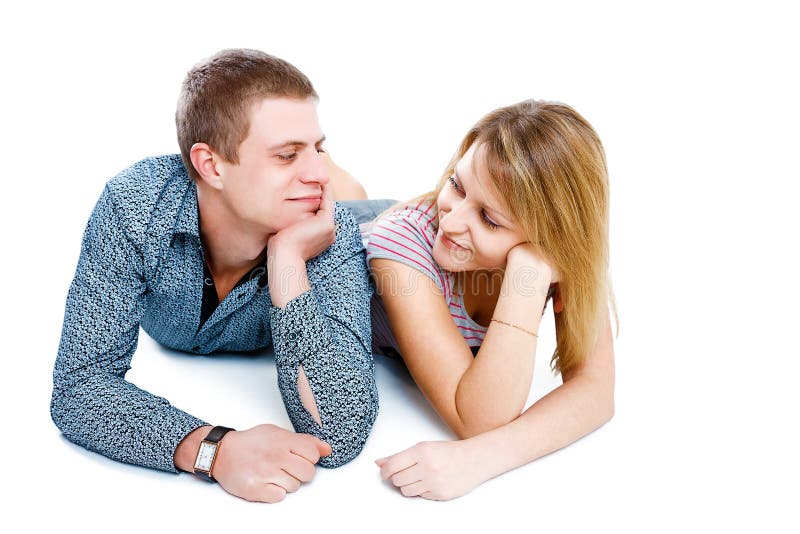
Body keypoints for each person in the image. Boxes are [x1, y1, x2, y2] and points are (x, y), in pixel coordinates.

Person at [50, 48, 379, 504]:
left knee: (370, 215)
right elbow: (78, 388)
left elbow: (339, 430)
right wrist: (212, 448)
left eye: (319, 149)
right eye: (287, 155)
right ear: (211, 165)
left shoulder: (327, 227)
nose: (319, 175)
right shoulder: (136, 206)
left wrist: (287, 261)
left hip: (382, 232)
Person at [357, 99, 617, 500]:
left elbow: (597, 389)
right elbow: (478, 417)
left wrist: (477, 460)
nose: (452, 221)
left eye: (489, 219)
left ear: (547, 239)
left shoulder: (552, 257)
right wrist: (527, 281)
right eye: (457, 185)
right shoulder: (403, 244)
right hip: (342, 242)